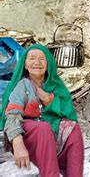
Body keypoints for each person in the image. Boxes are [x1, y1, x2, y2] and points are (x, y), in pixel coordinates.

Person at [0, 44, 84, 176]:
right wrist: (17, 143)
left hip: (50, 133)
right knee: (43, 128)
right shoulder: (23, 85)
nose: (37, 62)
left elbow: (66, 112)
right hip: (23, 134)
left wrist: (48, 99)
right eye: (32, 58)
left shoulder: (56, 86)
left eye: (42, 59)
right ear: (25, 65)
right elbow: (12, 115)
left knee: (73, 128)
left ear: (48, 64)